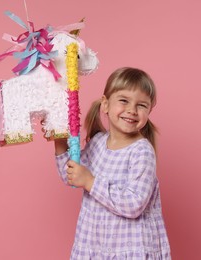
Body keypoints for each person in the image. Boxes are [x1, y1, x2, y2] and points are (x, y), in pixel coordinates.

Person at [54, 67, 171, 259]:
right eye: (124, 101)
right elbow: (73, 176)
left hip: (130, 249)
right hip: (95, 245)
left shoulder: (141, 152)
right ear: (106, 105)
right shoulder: (98, 142)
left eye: (142, 105)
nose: (132, 110)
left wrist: (90, 182)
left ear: (150, 110)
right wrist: (58, 142)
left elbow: (134, 203)